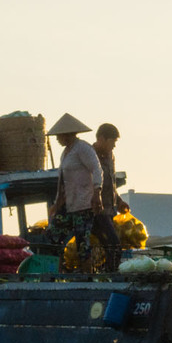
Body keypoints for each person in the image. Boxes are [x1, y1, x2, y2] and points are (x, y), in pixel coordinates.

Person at [47, 113, 103, 274]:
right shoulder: (66, 153)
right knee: (53, 236)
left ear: (67, 134)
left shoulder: (83, 148)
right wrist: (57, 204)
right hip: (68, 204)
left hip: (83, 204)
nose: (57, 139)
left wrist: (97, 192)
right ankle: (56, 273)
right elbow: (63, 182)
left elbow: (96, 170)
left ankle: (88, 276)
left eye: (59, 136)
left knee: (82, 243)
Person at [91, 123, 131, 272]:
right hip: (95, 211)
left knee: (110, 246)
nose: (114, 146)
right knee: (113, 245)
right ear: (102, 138)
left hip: (109, 210)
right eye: (112, 142)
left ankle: (105, 272)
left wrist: (119, 201)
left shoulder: (110, 157)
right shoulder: (89, 155)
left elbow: (110, 184)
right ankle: (110, 276)